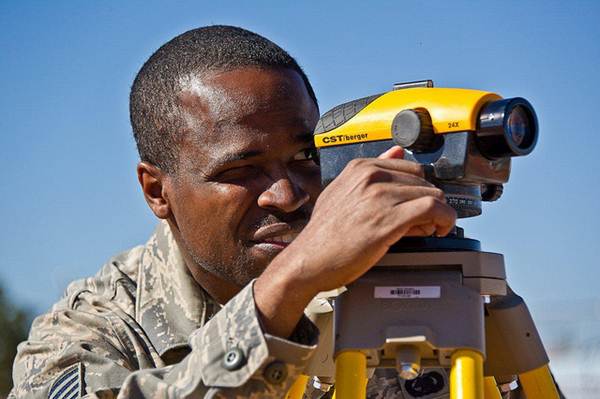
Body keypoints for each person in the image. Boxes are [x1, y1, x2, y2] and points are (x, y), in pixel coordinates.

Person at [10, 26, 456, 398]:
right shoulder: (87, 335)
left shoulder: (383, 287)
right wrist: (292, 283)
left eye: (306, 158)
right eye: (242, 169)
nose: (287, 195)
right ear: (156, 191)